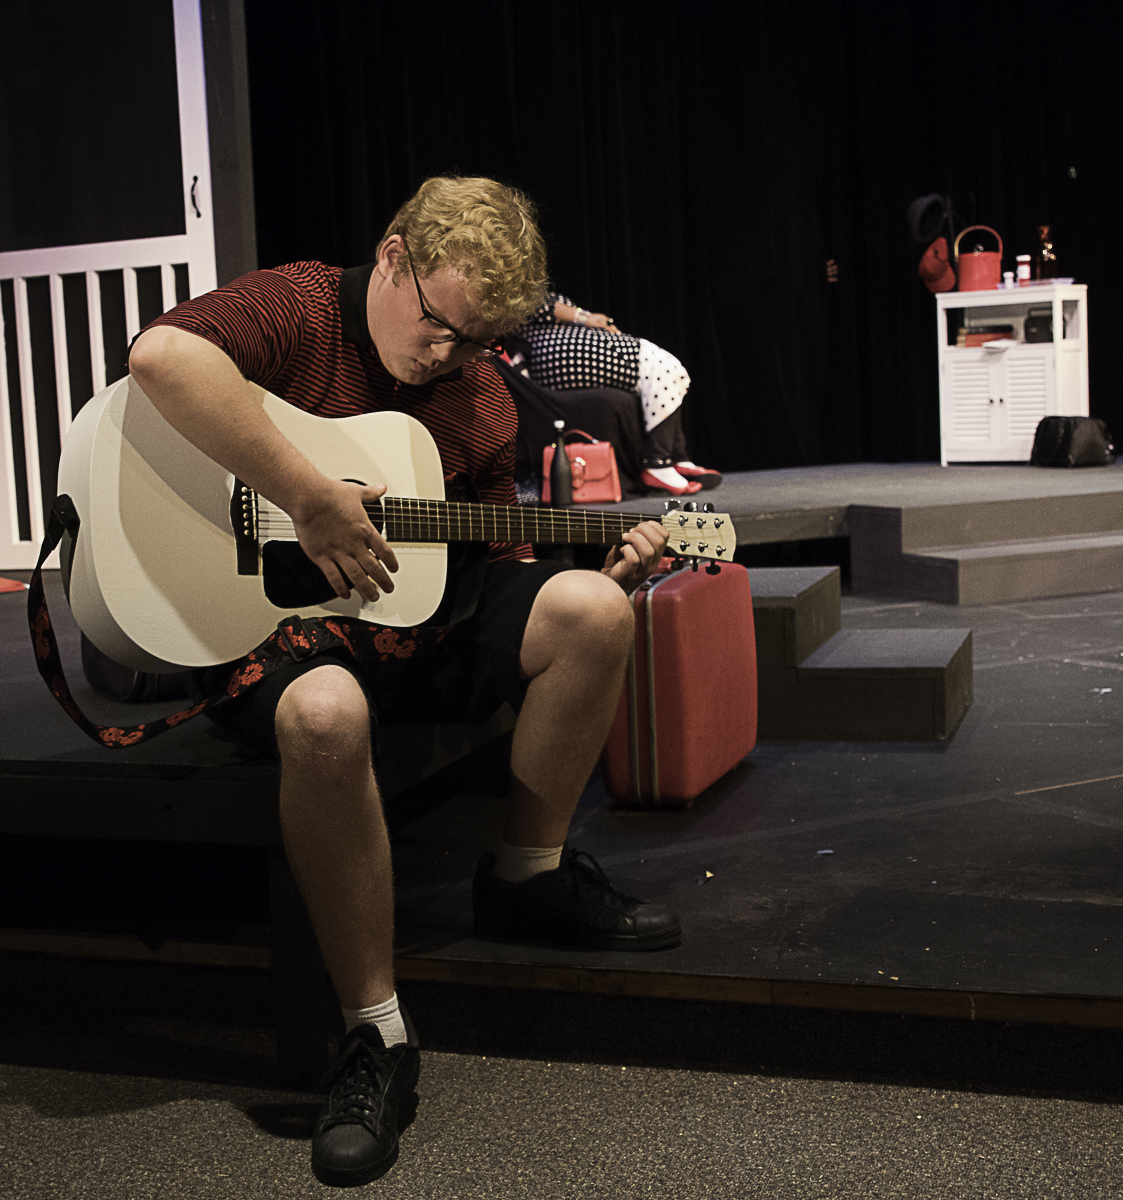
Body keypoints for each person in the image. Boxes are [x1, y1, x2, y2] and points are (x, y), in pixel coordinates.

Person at [128, 177, 680, 1188]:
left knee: (595, 613)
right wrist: (304, 495)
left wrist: (594, 574)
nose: (451, 355)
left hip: (414, 627)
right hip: (281, 629)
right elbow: (160, 359)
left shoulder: (476, 395)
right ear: (391, 256)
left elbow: (492, 561)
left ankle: (528, 875)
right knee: (327, 715)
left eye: (478, 342)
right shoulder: (299, 308)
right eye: (440, 325)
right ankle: (374, 1034)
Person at [516, 291, 720, 495]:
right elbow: (531, 304)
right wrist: (586, 318)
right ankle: (658, 463)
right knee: (664, 368)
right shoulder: (517, 291)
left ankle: (675, 456)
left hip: (554, 350)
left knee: (664, 373)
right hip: (551, 353)